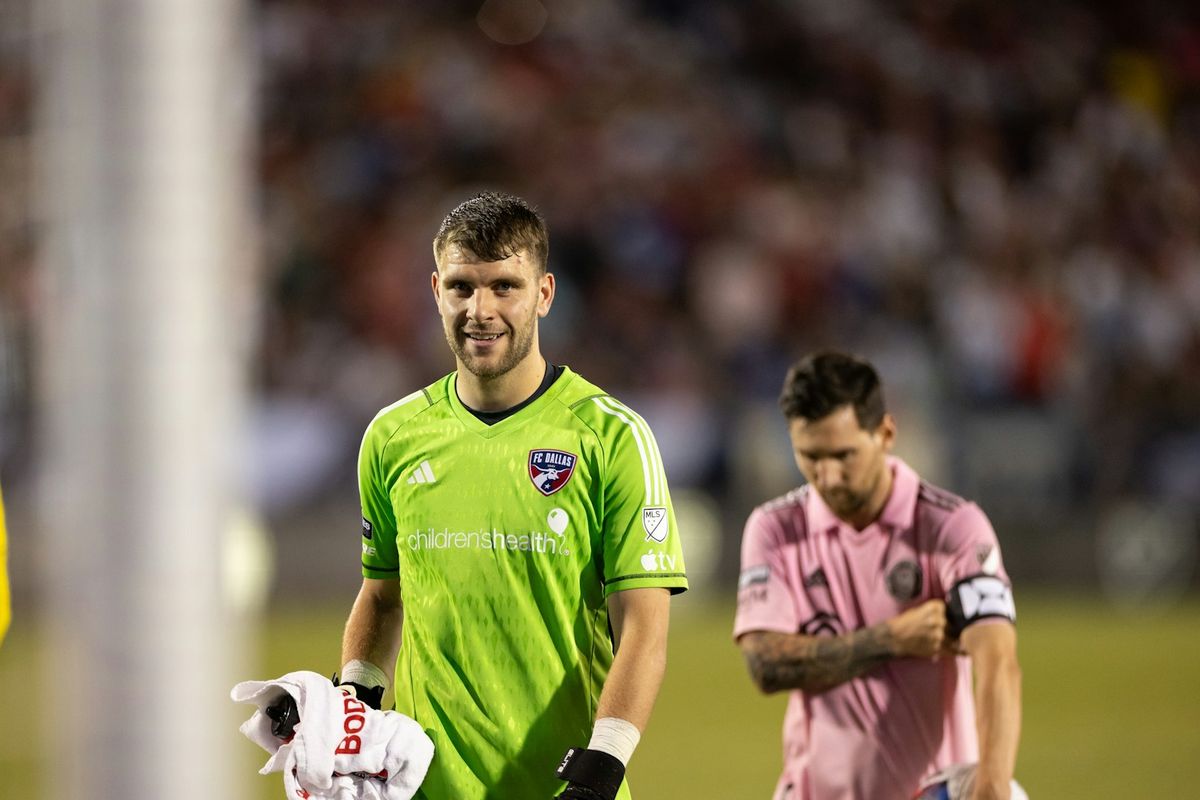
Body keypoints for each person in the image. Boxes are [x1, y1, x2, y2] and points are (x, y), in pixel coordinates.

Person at [338, 192, 688, 800]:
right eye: (462, 287)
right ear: (436, 292)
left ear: (544, 294)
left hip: (565, 789)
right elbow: (382, 596)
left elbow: (644, 630)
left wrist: (602, 769)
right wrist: (350, 707)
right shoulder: (392, 437)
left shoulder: (611, 436)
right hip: (424, 787)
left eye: (505, 286)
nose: (481, 309)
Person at [733, 352, 1021, 800]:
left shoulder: (952, 527)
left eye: (843, 455)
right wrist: (892, 638)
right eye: (809, 456)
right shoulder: (775, 528)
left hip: (931, 792)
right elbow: (766, 665)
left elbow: (998, 661)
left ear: (885, 433)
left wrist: (993, 785)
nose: (826, 477)